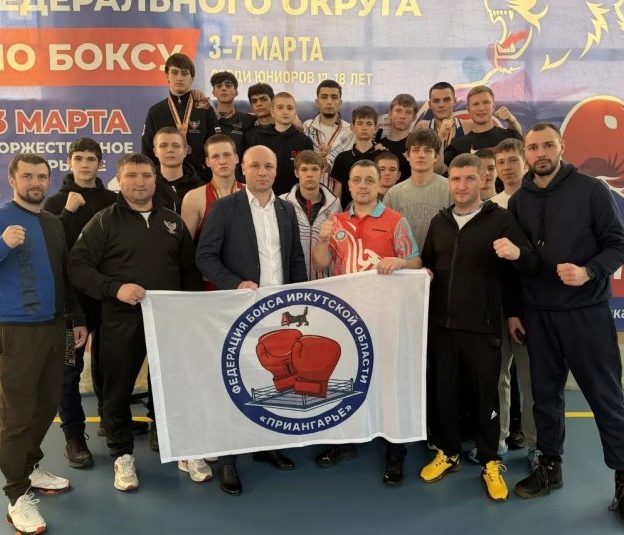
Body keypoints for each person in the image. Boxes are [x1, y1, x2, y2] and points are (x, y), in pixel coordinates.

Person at [508, 123, 624, 531]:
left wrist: (588, 272)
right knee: (545, 398)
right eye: (533, 147)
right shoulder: (518, 201)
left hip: (586, 312)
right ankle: (550, 466)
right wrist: (515, 311)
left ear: (561, 147)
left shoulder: (591, 190)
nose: (540, 153)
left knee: (606, 398)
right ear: (526, 153)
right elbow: (517, 264)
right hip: (538, 314)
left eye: (547, 145)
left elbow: (619, 244)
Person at [0, 153, 87, 535]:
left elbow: (63, 275)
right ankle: (16, 495)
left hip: (56, 328)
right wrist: (2, 244)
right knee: (15, 415)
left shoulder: (52, 223)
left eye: (41, 176)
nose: (36, 182)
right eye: (27, 176)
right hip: (16, 330)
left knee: (47, 404)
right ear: (12, 180)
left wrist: (77, 319)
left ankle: (29, 468)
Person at [68, 153, 203, 492]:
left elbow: (189, 271)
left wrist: (189, 313)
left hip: (168, 321)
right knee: (116, 391)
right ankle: (122, 455)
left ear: (155, 180)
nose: (139, 182)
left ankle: (183, 450)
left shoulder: (172, 222)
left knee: (173, 386)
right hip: (121, 321)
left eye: (146, 175)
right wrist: (115, 288)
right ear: (120, 180)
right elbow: (78, 267)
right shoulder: (103, 222)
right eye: (132, 175)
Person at [418, 153, 537, 503]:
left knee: (486, 394)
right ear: (449, 182)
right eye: (456, 179)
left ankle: (490, 460)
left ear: (483, 180)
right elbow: (428, 264)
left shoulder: (500, 220)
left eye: (469, 178)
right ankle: (448, 452)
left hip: (483, 326)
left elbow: (524, 266)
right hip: (441, 325)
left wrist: (513, 309)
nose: (462, 186)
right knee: (444, 391)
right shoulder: (440, 221)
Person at [196, 145, 307, 496]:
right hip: (238, 312)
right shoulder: (225, 208)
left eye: (268, 166)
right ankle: (229, 460)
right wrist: (235, 284)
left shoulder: (286, 209)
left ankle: (266, 445)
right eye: (255, 165)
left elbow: (295, 258)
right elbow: (204, 256)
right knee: (234, 384)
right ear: (243, 168)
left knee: (272, 380)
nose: (262, 172)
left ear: (276, 171)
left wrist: (300, 301)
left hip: (278, 314)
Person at [311, 159, 421, 487]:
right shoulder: (336, 221)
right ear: (349, 184)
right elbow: (321, 263)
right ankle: (345, 441)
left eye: (369, 180)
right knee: (347, 377)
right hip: (346, 318)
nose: (362, 186)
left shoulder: (395, 221)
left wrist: (401, 262)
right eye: (357, 180)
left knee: (389, 381)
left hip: (385, 317)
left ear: (379, 184)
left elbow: (416, 261)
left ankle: (395, 450)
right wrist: (322, 239)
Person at [43, 138, 124, 470]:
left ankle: (109, 419)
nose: (85, 164)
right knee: (68, 369)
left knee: (110, 363)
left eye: (92, 159)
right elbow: (49, 247)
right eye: (79, 158)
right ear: (69, 162)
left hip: (106, 298)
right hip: (70, 302)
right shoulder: (55, 203)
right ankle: (74, 436)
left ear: (100, 163)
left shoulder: (113, 201)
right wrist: (67, 213)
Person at [489, 138, 538, 468]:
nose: (507, 167)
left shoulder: (539, 203)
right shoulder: (491, 207)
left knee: (532, 380)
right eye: (501, 162)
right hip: (498, 306)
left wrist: (519, 309)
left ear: (525, 162)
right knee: (497, 379)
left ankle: (537, 445)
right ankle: (499, 439)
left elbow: (535, 261)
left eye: (513, 161)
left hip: (530, 308)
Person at [142, 53, 219, 180]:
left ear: (192, 78)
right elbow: (147, 151)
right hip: (164, 182)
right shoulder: (155, 112)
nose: (179, 78)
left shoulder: (205, 108)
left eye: (184, 73)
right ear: (167, 76)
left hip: (200, 179)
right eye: (174, 72)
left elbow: (216, 146)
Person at [383, 129, 450, 248]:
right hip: (402, 259)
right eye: (416, 150)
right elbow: (385, 235)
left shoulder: (450, 189)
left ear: (436, 156)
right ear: (408, 155)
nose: (421, 155)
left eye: (427, 150)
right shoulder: (393, 194)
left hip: (441, 258)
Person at [280, 150, 341, 280]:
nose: (309, 174)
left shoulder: (334, 204)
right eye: (304, 169)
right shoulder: (282, 203)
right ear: (296, 173)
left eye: (314, 169)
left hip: (324, 280)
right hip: (292, 279)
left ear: (322, 172)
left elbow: (339, 245)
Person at [247, 92, 314, 195]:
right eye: (280, 108)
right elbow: (251, 169)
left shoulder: (305, 141)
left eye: (289, 108)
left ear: (295, 113)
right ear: (272, 112)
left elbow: (309, 172)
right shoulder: (259, 139)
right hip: (265, 195)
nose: (285, 112)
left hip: (295, 197)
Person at [182, 134, 244, 243]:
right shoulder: (194, 198)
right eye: (216, 156)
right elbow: (185, 247)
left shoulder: (252, 192)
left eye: (227, 155)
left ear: (236, 158)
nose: (222, 161)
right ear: (207, 162)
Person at [443, 85, 522, 166]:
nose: (481, 108)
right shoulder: (459, 146)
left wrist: (513, 121)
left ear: (493, 106)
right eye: (476, 104)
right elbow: (439, 168)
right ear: (468, 109)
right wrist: (441, 136)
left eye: (486, 102)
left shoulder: (509, 137)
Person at [302, 80, 355, 191]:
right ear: (317, 102)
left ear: (340, 102)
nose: (329, 102)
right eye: (324, 97)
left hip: (341, 192)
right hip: (311, 190)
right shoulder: (307, 127)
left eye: (334, 97)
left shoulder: (351, 131)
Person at [329, 105, 384, 206]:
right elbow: (337, 194)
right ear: (352, 127)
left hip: (377, 212)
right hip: (348, 212)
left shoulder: (383, 157)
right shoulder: (342, 158)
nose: (364, 128)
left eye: (369, 124)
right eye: (360, 123)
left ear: (376, 128)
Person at [152, 126, 204, 214]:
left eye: (176, 146)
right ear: (155, 152)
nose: (170, 150)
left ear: (185, 151)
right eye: (163, 145)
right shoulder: (147, 186)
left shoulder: (201, 188)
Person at [210, 71, 256, 164]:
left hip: (238, 172)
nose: (223, 88)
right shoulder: (207, 118)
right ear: (213, 92)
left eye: (228, 85)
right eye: (219, 86)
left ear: (236, 92)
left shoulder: (248, 120)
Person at [375, 93, 416, 180]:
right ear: (390, 114)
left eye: (408, 112)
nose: (402, 116)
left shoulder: (417, 146)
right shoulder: (377, 146)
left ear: (414, 118)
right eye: (398, 111)